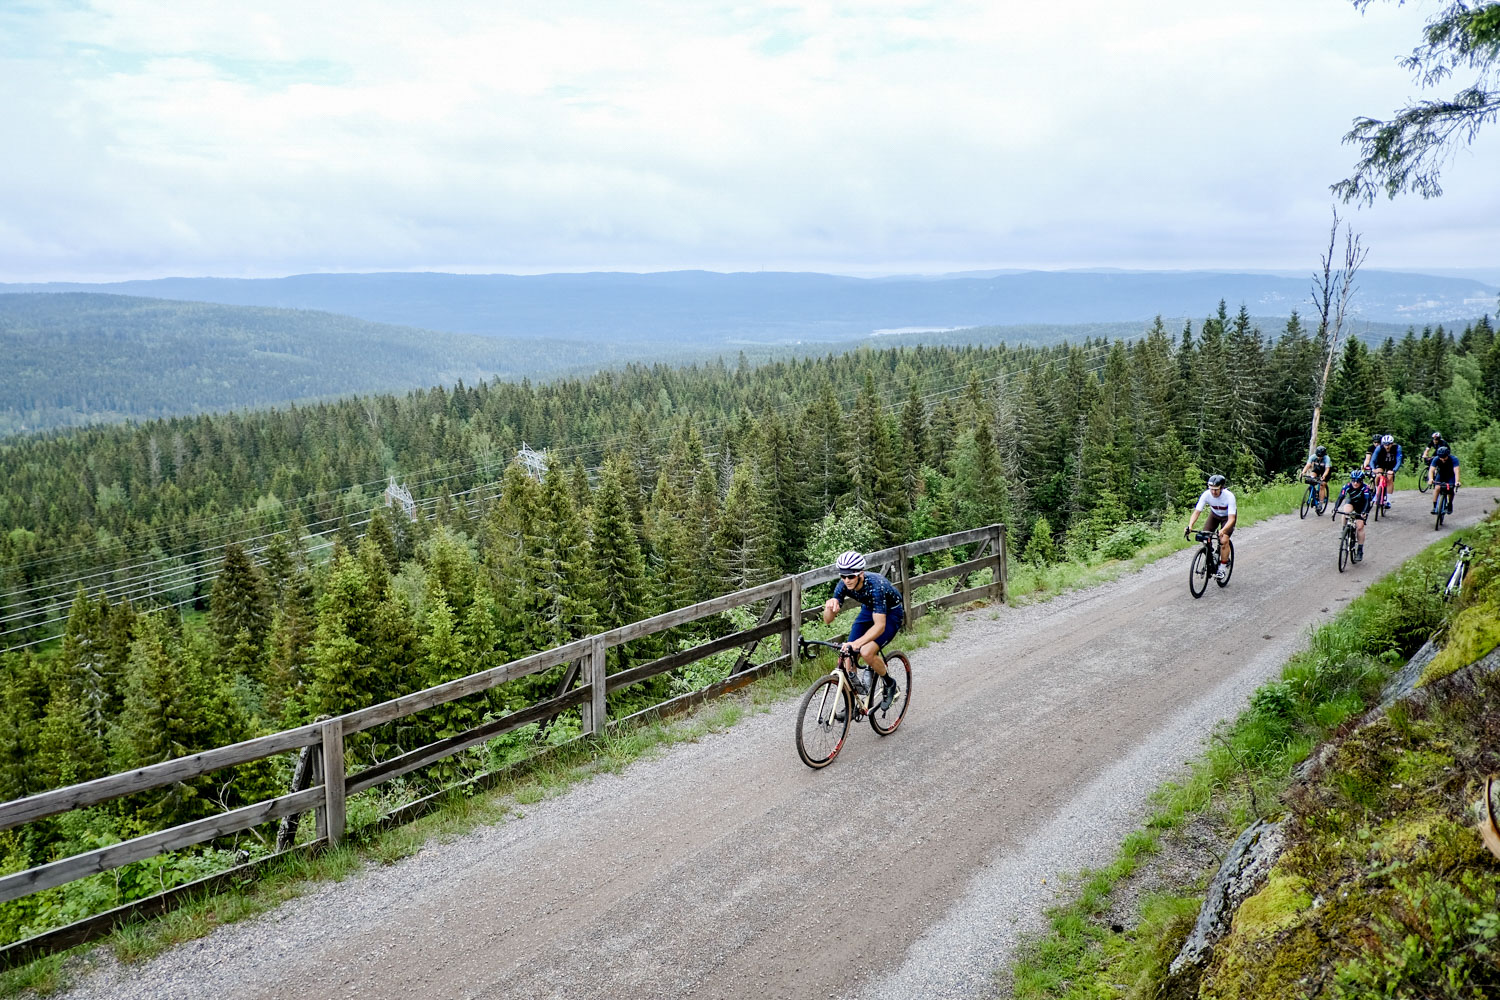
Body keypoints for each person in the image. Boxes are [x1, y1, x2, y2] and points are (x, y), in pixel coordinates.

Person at [822, 550, 904, 718]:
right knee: (847, 655)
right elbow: (827, 620)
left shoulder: (876, 586)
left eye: (850, 576)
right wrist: (829, 607)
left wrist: (857, 643)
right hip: (869, 609)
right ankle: (853, 704)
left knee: (866, 652)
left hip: (891, 613)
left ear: (860, 574)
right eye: (843, 576)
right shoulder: (844, 584)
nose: (846, 580)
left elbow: (880, 626)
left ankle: (890, 684)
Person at [1184, 474, 1236, 584]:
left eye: (1216, 490)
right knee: (1204, 537)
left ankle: (1222, 567)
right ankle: (1211, 555)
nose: (1213, 492)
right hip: (1215, 515)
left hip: (1227, 517)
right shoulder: (1206, 495)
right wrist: (1190, 526)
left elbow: (1231, 519)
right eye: (1211, 489)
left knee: (1223, 540)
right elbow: (1197, 512)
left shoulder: (1229, 496)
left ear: (1222, 488)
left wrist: (1224, 530)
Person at [1335, 469, 1375, 560]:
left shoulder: (1365, 488)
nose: (1355, 483)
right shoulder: (1347, 486)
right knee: (1345, 512)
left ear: (1362, 481)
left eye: (1358, 481)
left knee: (1360, 527)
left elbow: (1367, 502)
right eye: (1353, 480)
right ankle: (1344, 529)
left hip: (1362, 506)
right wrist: (1335, 508)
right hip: (1352, 502)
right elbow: (1340, 497)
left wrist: (1364, 513)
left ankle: (1360, 550)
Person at [1369, 434, 1402, 509]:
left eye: (1389, 444)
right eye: (1385, 444)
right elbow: (1373, 460)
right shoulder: (1379, 448)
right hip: (1381, 464)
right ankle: (1377, 494)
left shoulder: (1397, 448)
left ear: (1392, 443)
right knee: (1378, 475)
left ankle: (1388, 501)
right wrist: (1373, 468)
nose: (1387, 446)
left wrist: (1394, 470)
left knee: (1389, 478)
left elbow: (1399, 461)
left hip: (1391, 465)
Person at [1427, 445, 1461, 515]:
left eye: (1444, 458)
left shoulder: (1454, 459)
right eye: (1441, 458)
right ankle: (1434, 506)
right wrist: (1431, 479)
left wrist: (1457, 481)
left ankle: (1450, 504)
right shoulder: (1436, 459)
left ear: (1448, 455)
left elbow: (1456, 471)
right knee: (1437, 488)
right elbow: (1431, 470)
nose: (1442, 459)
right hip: (1441, 475)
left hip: (1450, 476)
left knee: (1450, 490)